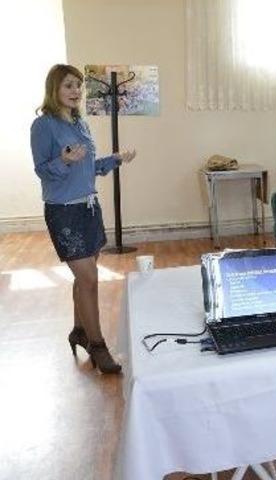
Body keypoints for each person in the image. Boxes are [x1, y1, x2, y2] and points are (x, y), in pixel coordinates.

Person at [30, 64, 137, 374]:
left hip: (89, 209)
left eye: (78, 85)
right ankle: (98, 346)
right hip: (63, 212)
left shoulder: (81, 124)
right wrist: (63, 160)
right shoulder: (43, 125)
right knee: (90, 278)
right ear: (54, 89)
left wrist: (115, 160)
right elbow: (42, 170)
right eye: (68, 85)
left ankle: (79, 331)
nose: (75, 91)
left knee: (83, 278)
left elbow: (89, 167)